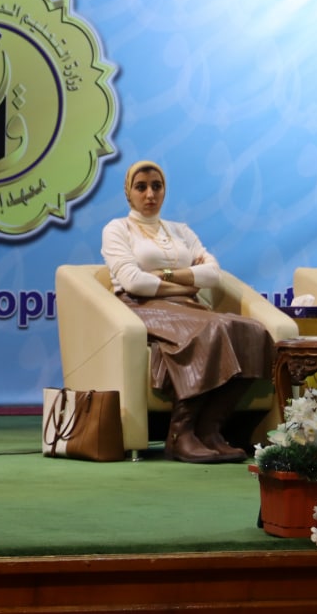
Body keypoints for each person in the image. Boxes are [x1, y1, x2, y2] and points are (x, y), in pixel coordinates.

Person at [101, 160, 275, 463]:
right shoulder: (117, 229)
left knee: (252, 331)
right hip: (144, 308)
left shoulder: (180, 230)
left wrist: (166, 275)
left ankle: (210, 430)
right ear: (128, 192)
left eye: (157, 186)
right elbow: (133, 282)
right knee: (210, 328)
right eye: (141, 187)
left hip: (189, 307)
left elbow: (213, 274)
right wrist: (185, 284)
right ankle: (180, 434)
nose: (150, 194)